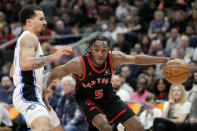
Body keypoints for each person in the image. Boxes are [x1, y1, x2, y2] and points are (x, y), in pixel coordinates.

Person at [45, 35, 171, 131]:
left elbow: (136, 59)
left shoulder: (113, 58)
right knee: (105, 127)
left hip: (108, 96)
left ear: (108, 50)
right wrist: (43, 90)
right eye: (97, 50)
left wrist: (164, 60)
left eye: (104, 50)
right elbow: (52, 73)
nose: (100, 53)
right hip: (87, 99)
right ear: (90, 49)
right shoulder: (79, 64)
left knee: (139, 128)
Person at [9, 5, 72, 131]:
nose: (45, 22)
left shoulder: (26, 40)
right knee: (42, 126)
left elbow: (12, 72)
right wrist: (54, 56)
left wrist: (42, 94)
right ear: (29, 21)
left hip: (36, 93)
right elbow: (26, 64)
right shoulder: (29, 37)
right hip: (27, 92)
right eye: (41, 19)